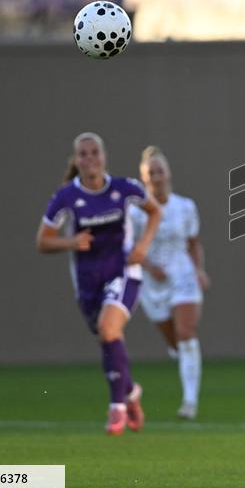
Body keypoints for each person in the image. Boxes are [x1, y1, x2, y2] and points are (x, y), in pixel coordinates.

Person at [36, 133, 162, 435]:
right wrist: (71, 242)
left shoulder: (124, 188)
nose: (90, 158)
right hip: (87, 281)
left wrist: (143, 245)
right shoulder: (66, 197)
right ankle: (130, 392)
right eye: (83, 154)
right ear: (76, 159)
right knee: (108, 339)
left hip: (123, 272)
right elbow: (42, 241)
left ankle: (117, 408)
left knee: (108, 329)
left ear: (104, 156)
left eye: (95, 152)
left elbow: (155, 211)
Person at [128, 146, 210, 420]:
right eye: (150, 173)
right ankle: (184, 357)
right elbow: (130, 248)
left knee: (186, 333)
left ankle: (189, 402)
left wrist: (199, 270)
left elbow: (193, 243)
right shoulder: (136, 213)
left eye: (159, 171)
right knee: (175, 342)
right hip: (152, 282)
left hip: (182, 274)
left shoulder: (185, 207)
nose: (156, 177)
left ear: (168, 173)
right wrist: (150, 266)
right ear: (144, 178)